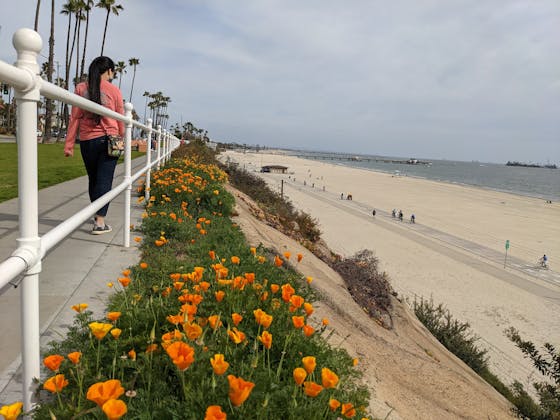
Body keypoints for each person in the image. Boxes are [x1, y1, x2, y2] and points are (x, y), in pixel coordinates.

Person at [64, 56, 124, 235]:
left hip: (87, 141)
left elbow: (74, 117)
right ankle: (100, 222)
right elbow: (121, 119)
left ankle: (97, 213)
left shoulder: (81, 88)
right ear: (109, 71)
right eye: (113, 72)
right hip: (109, 139)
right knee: (104, 180)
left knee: (94, 179)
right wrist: (123, 139)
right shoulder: (114, 91)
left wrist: (69, 144)